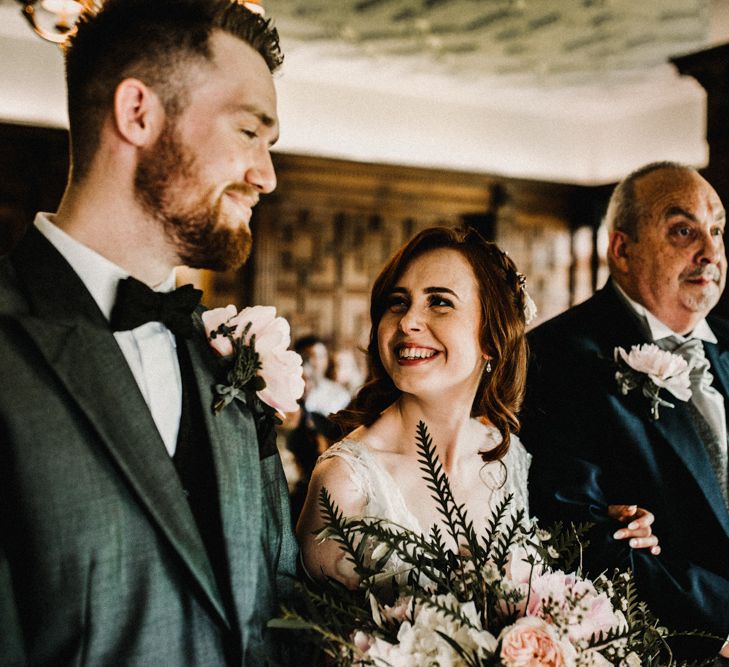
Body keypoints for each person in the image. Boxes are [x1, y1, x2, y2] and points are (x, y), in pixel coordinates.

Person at [0, 1, 296, 664]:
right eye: (250, 132)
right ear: (139, 113)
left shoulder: (228, 354)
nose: (266, 175)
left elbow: (274, 610)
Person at [297, 226, 658, 586]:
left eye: (439, 302)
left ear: (491, 336)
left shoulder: (507, 454)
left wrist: (607, 530)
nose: (407, 321)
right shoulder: (345, 483)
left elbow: (547, 561)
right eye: (398, 302)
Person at [521, 161, 729, 662]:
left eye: (717, 229)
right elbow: (577, 539)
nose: (711, 250)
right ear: (622, 249)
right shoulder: (557, 357)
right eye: (683, 230)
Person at [295, 335, 351, 417]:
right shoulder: (287, 389)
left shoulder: (340, 394)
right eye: (310, 356)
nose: (317, 362)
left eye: (321, 356)